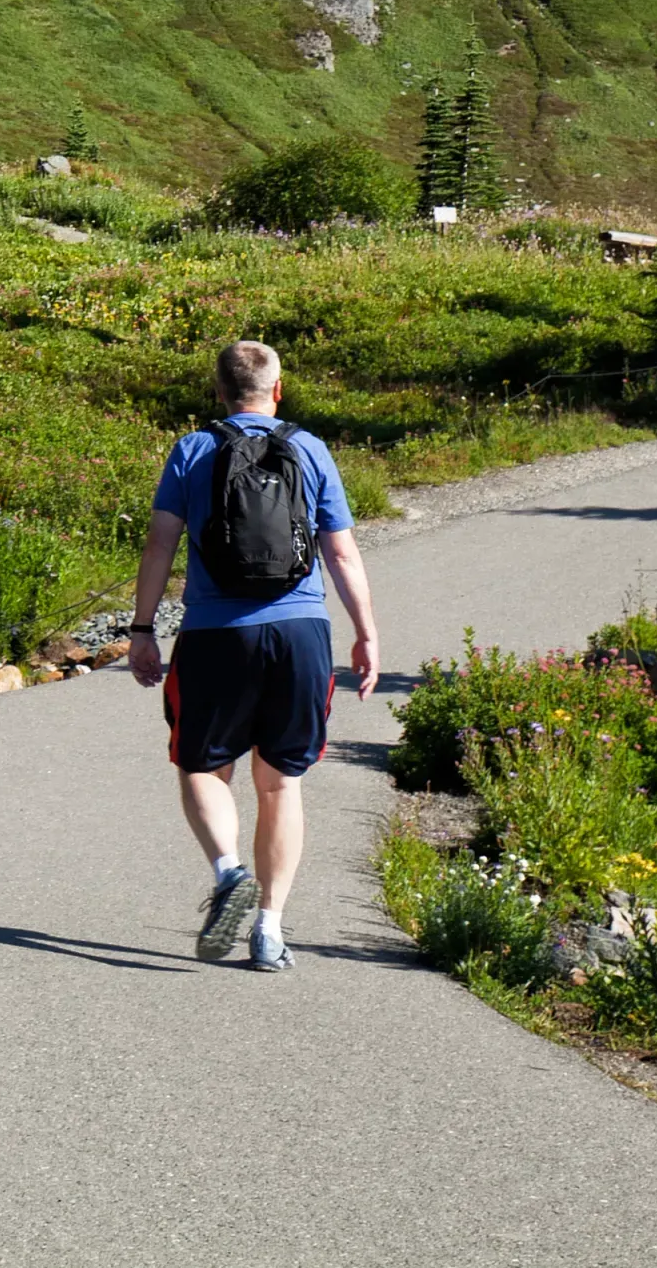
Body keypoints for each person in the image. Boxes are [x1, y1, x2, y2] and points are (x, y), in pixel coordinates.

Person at [127, 338, 378, 972]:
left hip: (215, 634)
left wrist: (142, 628)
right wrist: (366, 633)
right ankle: (269, 929)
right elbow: (342, 554)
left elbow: (159, 547)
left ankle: (228, 870)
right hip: (300, 634)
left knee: (201, 766)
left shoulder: (193, 449)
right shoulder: (312, 449)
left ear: (217, 391)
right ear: (278, 388)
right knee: (281, 783)